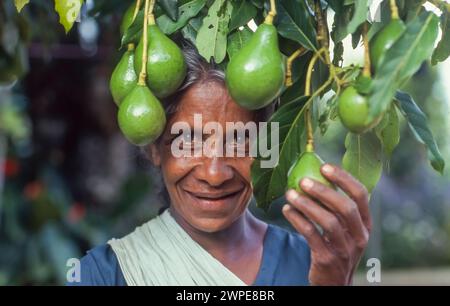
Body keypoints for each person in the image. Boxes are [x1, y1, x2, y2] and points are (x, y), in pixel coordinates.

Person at [68, 44, 371, 286]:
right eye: (188, 140)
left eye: (240, 141)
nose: (214, 174)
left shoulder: (315, 265)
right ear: (154, 147)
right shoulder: (102, 276)